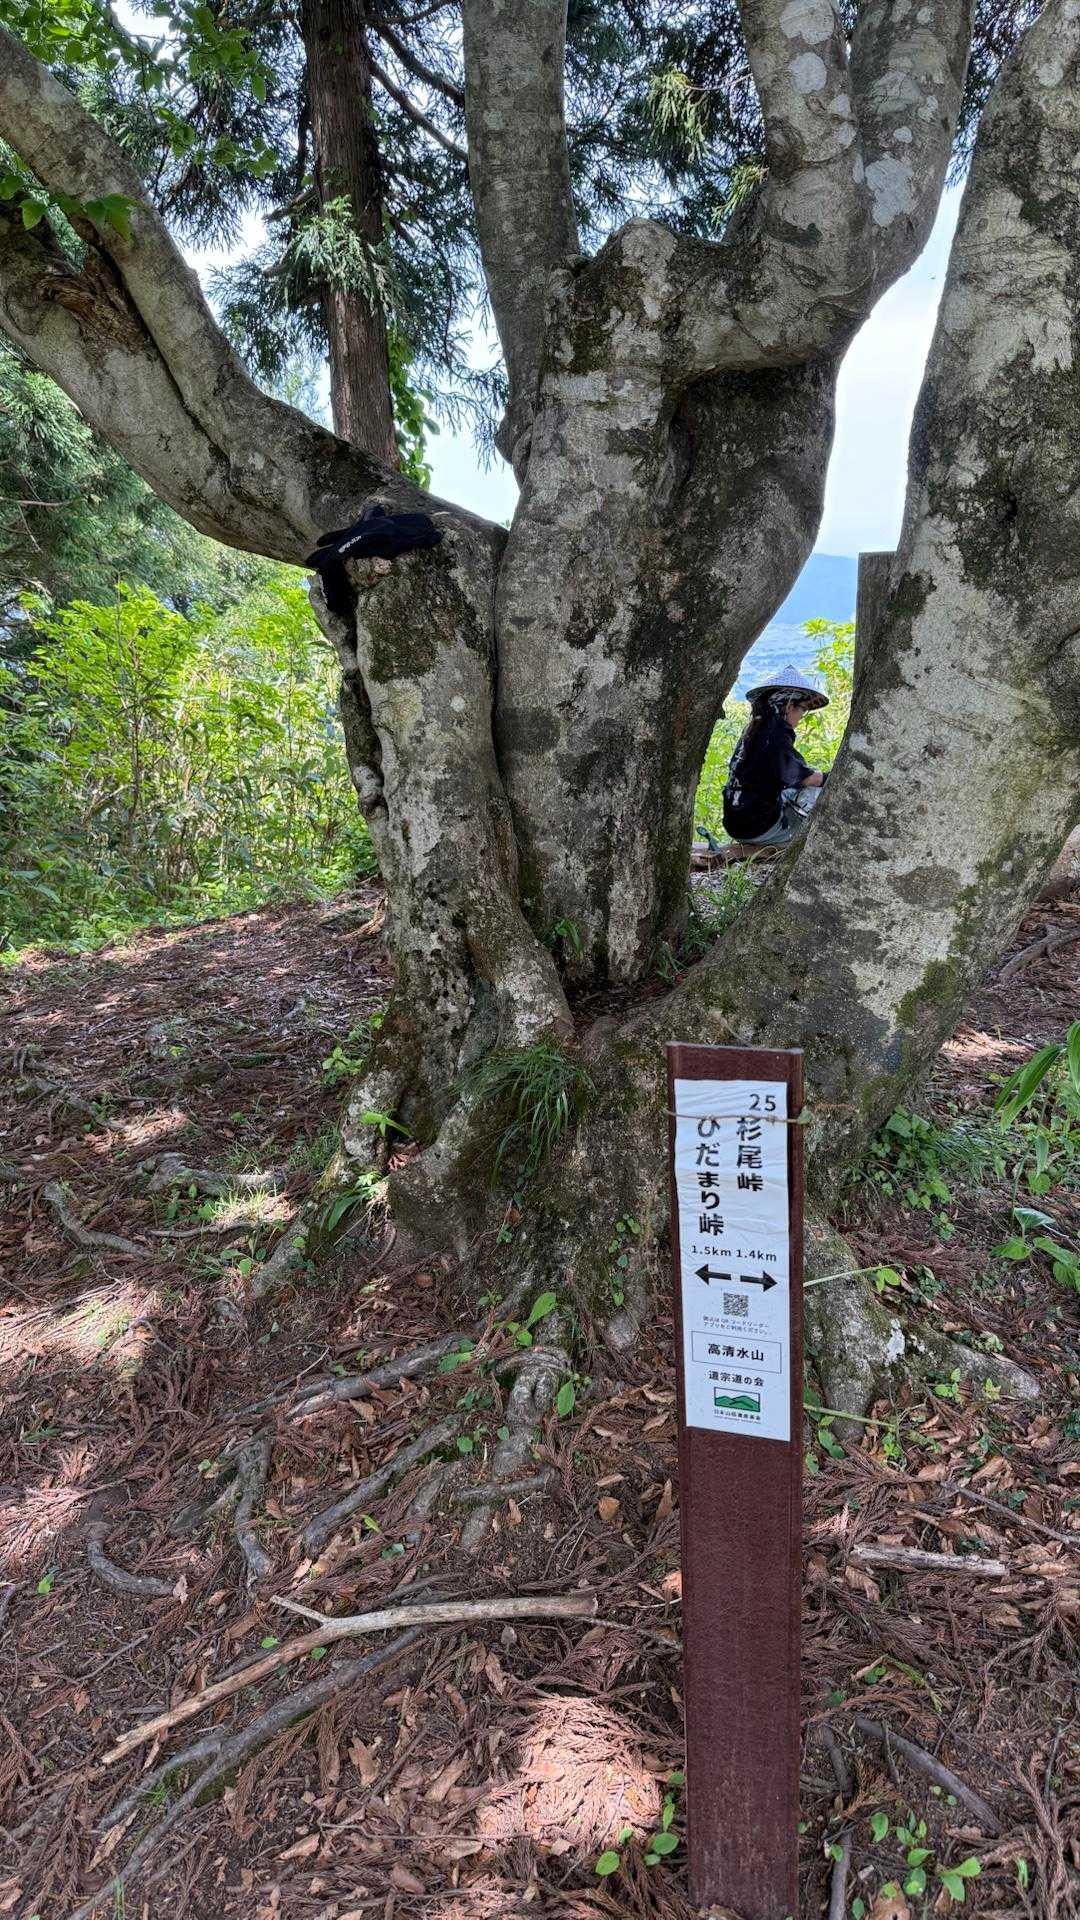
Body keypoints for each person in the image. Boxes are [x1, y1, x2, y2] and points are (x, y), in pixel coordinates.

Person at [722, 664, 829, 848]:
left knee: (791, 792)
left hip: (736, 822)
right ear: (789, 707)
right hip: (757, 828)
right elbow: (808, 779)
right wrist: (833, 776)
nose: (802, 716)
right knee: (816, 796)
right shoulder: (775, 736)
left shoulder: (754, 730)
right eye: (802, 709)